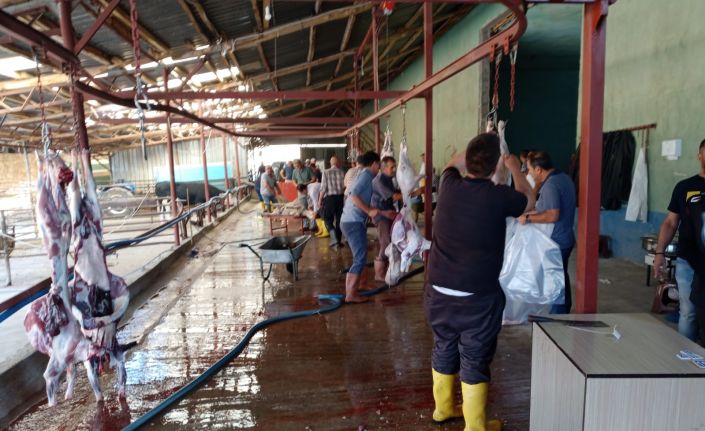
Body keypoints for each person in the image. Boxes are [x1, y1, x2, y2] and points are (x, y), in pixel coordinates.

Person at [426, 133, 534, 430]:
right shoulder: (498, 196)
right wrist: (514, 168)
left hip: (437, 290)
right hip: (476, 297)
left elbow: (452, 163)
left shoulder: (448, 185)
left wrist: (478, 146)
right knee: (474, 357)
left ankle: (443, 409)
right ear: (496, 165)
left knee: (444, 345)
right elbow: (529, 200)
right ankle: (475, 427)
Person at [654, 138, 705, 341]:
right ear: (699, 156)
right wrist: (660, 252)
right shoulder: (685, 186)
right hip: (689, 260)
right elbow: (670, 222)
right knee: (688, 312)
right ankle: (685, 356)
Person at [518, 150, 577, 314]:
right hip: (565, 238)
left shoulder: (551, 185)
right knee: (561, 275)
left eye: (530, 169)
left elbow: (552, 215)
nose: (529, 173)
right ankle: (564, 310)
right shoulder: (563, 178)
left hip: (555, 241)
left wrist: (527, 219)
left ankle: (558, 317)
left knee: (554, 282)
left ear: (538, 169)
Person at [341, 151, 392, 303]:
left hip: (353, 220)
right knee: (359, 258)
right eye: (379, 165)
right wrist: (368, 211)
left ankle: (361, 285)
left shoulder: (365, 175)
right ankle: (350, 294)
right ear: (374, 164)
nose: (379, 168)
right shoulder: (366, 175)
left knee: (361, 255)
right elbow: (353, 195)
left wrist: (380, 212)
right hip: (353, 221)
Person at [371, 156, 401, 281]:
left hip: (389, 213)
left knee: (392, 241)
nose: (394, 169)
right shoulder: (379, 180)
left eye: (395, 167)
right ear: (384, 168)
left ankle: (389, 269)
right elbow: (394, 196)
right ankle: (379, 274)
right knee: (385, 242)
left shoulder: (389, 179)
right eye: (392, 167)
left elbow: (396, 193)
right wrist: (411, 192)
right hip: (381, 215)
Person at [319, 155, 346, 247]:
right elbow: (345, 187)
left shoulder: (326, 172)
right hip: (341, 198)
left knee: (327, 219)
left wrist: (320, 200)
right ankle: (338, 241)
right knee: (339, 220)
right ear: (338, 163)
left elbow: (323, 187)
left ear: (331, 163)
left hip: (330, 199)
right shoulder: (342, 172)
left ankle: (334, 237)